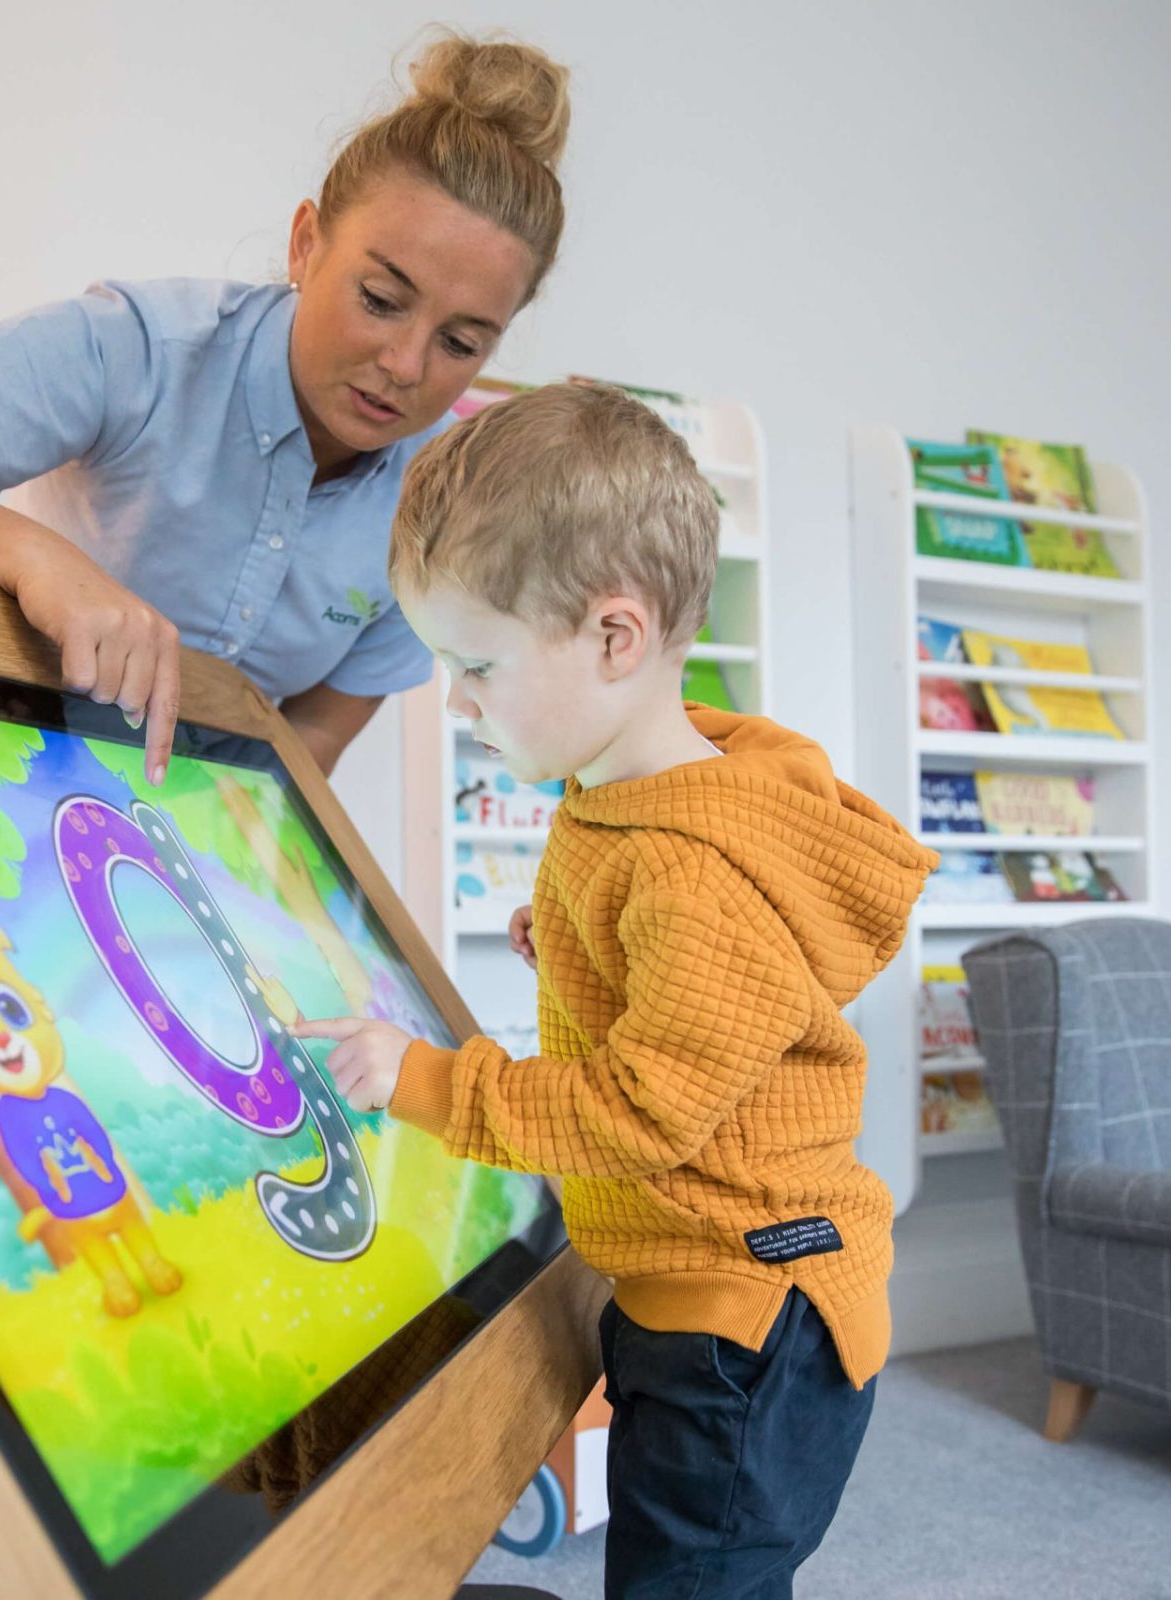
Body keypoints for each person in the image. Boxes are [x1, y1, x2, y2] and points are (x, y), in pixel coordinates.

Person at [294, 382, 938, 1598]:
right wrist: (584, 948)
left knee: (689, 1574)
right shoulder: (643, 786)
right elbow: (692, 978)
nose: (457, 702)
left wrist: (428, 1081)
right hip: (705, 1287)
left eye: (475, 664)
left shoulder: (690, 872)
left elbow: (643, 1110)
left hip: (740, 1327)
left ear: (613, 637)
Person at [0, 31, 570, 785]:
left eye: (461, 344)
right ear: (305, 244)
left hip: (168, 832)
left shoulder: (444, 500)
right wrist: (40, 563)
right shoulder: (144, 350)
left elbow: (309, 739)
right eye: (381, 298)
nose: (404, 366)